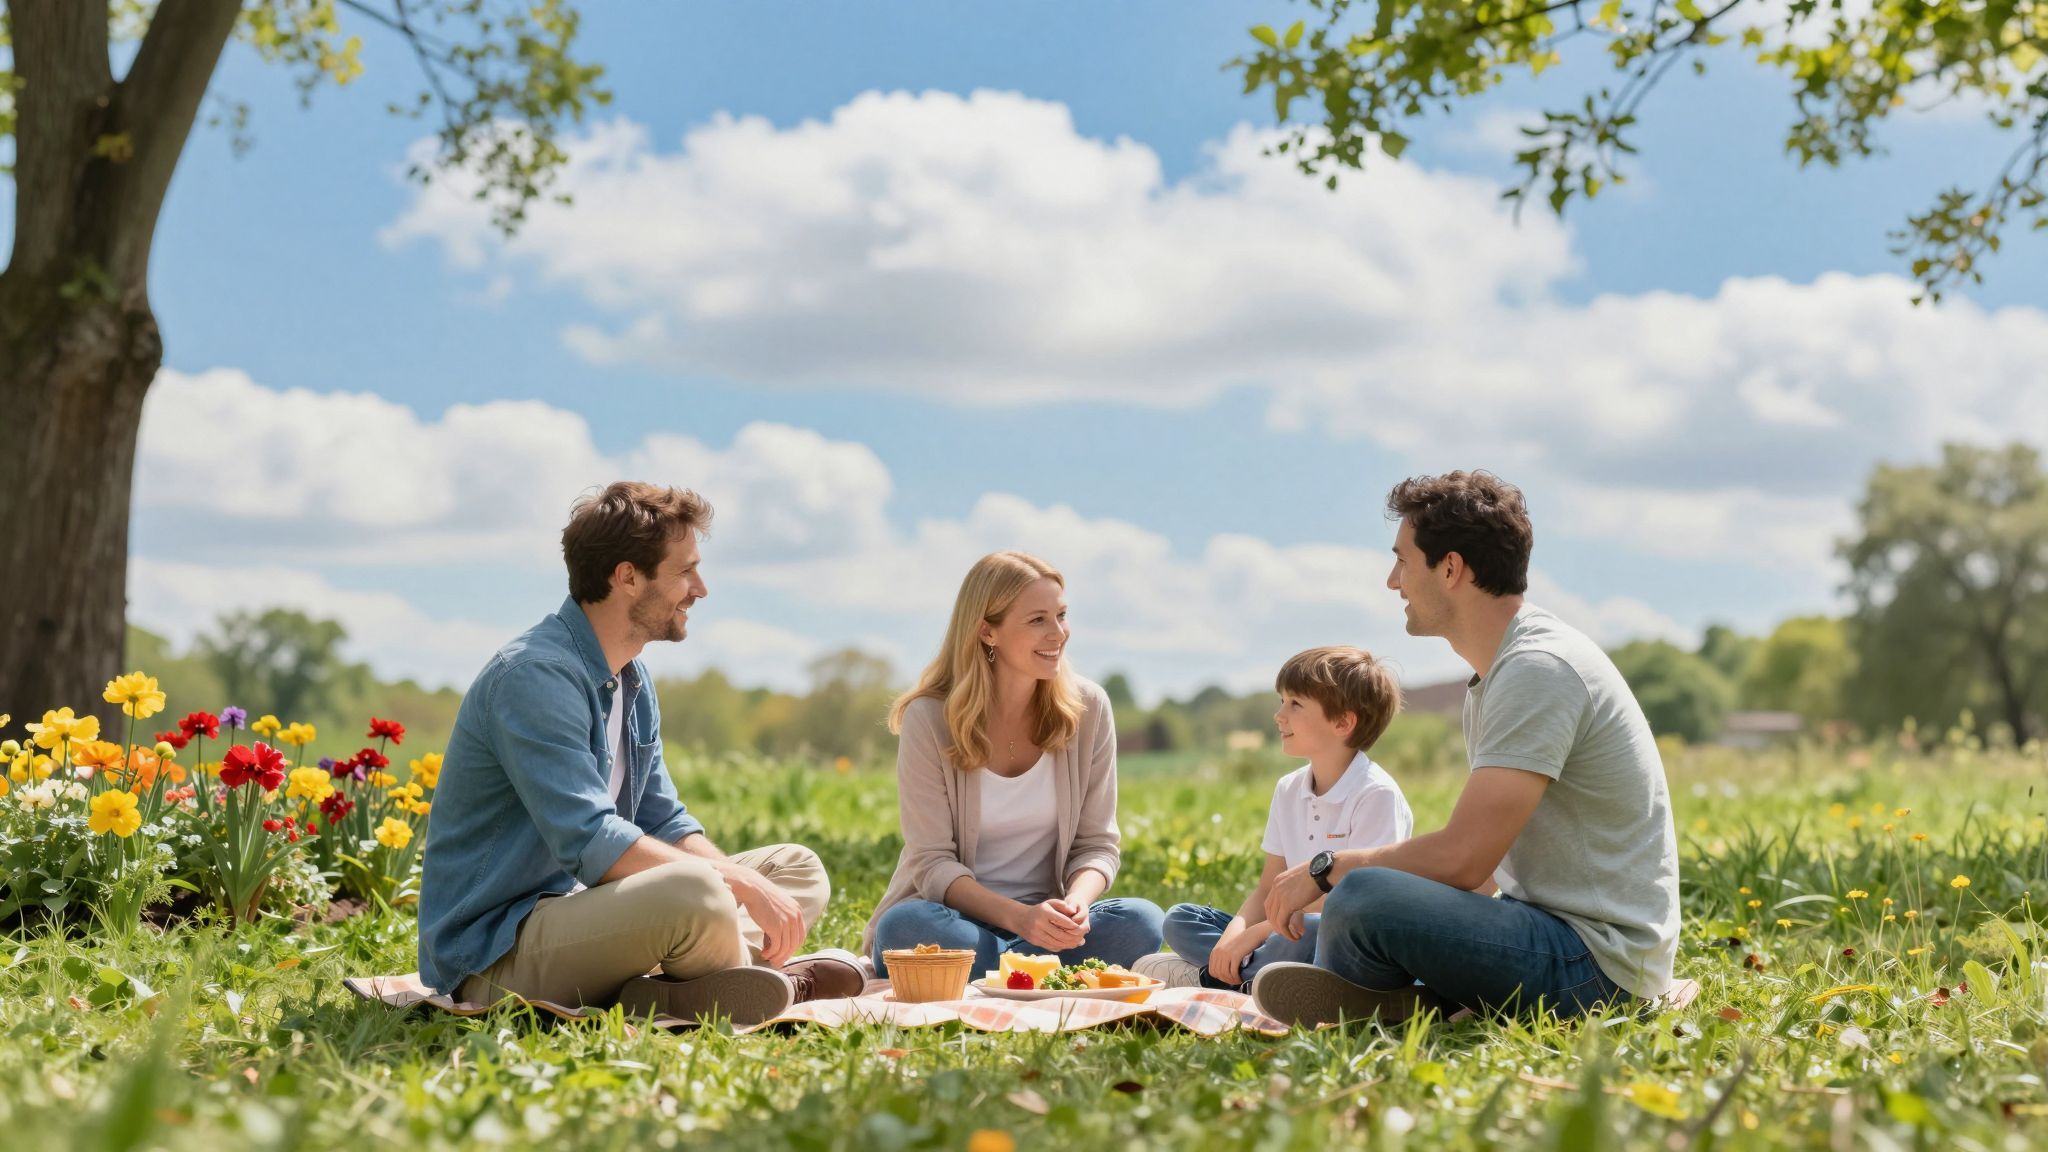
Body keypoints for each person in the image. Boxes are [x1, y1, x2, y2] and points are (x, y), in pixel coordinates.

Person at [418, 482, 862, 1026]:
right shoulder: (533, 676)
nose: (701, 588)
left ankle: (676, 987)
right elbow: (589, 839)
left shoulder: (629, 677)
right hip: (498, 955)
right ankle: (764, 981)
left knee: (794, 868)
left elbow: (663, 819)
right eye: (685, 571)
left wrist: (745, 878)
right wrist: (734, 883)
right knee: (702, 890)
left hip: (599, 919)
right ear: (627, 577)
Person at [1252, 471, 1680, 1027]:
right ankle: (1395, 1000)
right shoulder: (1501, 676)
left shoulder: (1537, 670)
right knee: (1371, 896)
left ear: (1450, 568)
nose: (1392, 581)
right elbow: (1481, 873)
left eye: (1402, 561)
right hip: (1551, 933)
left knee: (1362, 895)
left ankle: (1360, 1004)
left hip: (1598, 968)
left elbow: (1464, 859)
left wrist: (1328, 866)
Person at [863, 551, 1164, 978]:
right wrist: (1019, 920)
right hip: (957, 923)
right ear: (988, 631)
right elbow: (931, 863)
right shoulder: (929, 718)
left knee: (1142, 919)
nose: (1058, 633)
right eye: (1037, 620)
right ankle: (1039, 973)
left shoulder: (1089, 708)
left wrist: (1076, 904)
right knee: (904, 927)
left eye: (1061, 615)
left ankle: (1009, 972)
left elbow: (1097, 845)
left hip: (1047, 924)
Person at [1133, 646, 1412, 989]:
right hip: (1280, 936)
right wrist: (1233, 936)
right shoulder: (1288, 788)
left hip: (1337, 938)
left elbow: (1358, 905)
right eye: (1282, 701)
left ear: (1343, 722)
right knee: (1179, 919)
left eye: (1295, 704)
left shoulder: (1376, 794)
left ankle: (1215, 979)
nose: (1279, 715)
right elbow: (1269, 887)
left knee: (1305, 931)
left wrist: (1256, 934)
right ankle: (1253, 980)